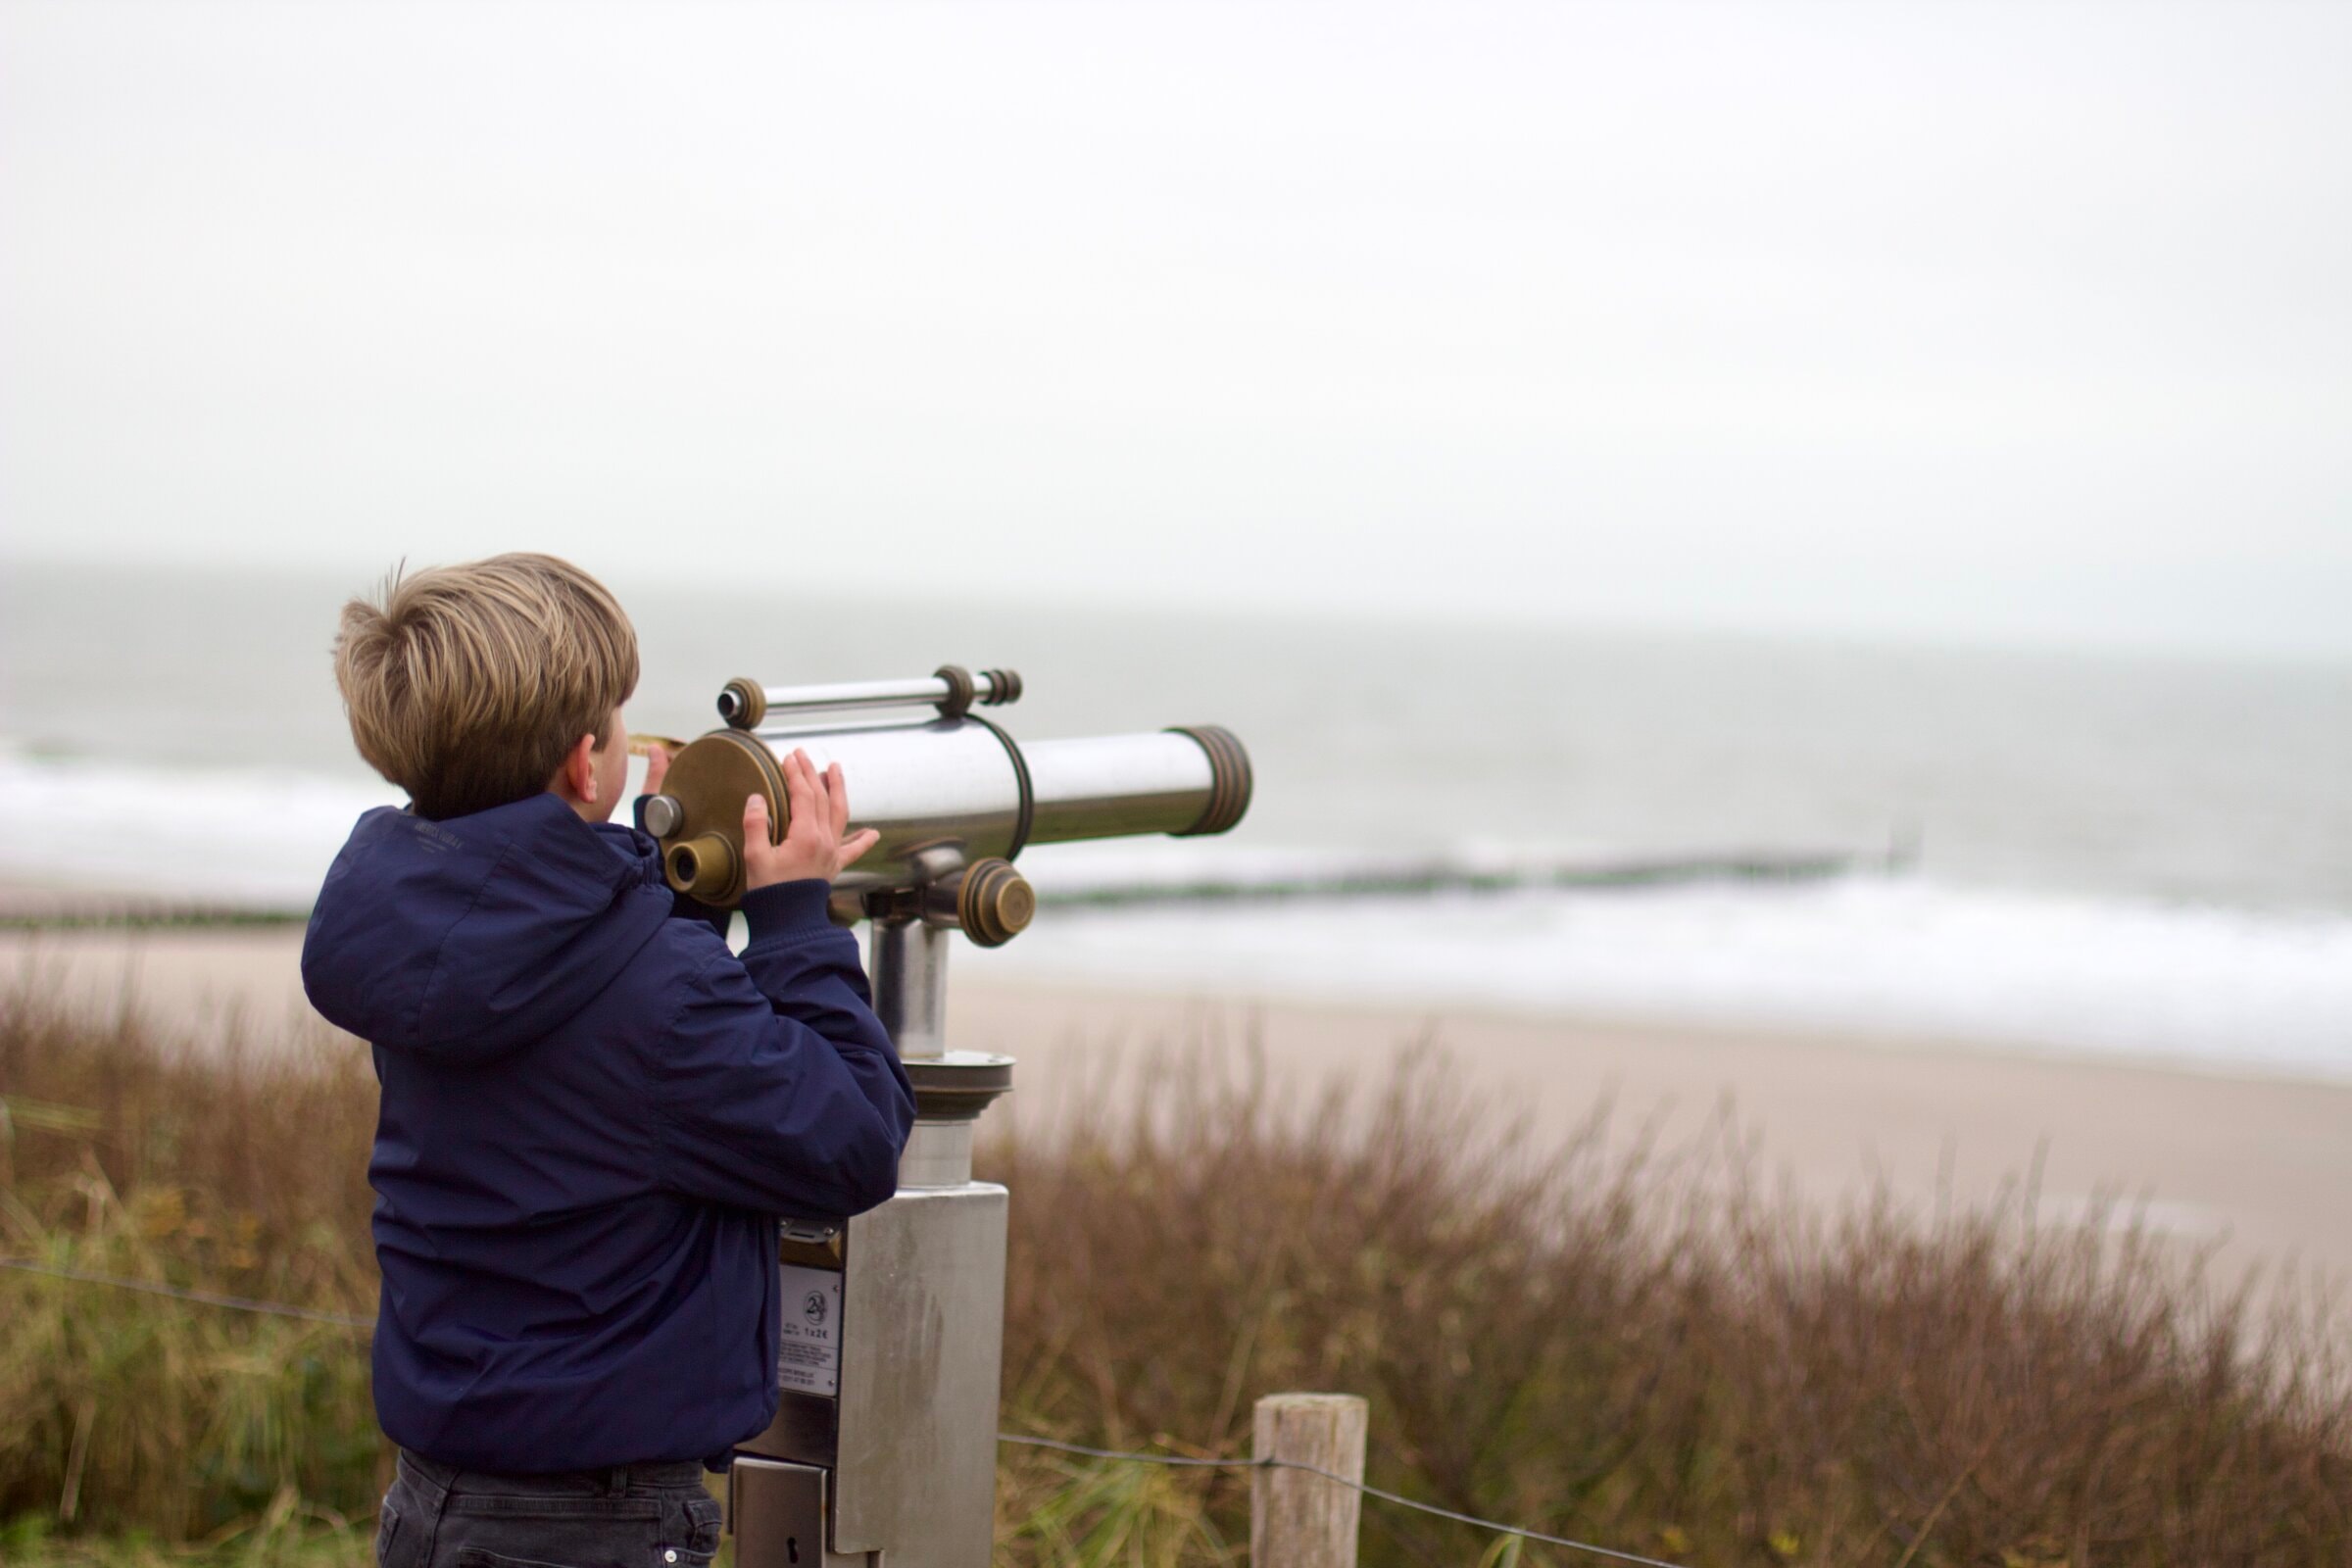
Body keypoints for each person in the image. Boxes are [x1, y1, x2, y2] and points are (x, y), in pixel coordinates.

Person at [301, 553, 914, 1568]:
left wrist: (683, 903)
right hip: (598, 1527)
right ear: (589, 766)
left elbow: (579, 1067)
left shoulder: (419, 931)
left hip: (438, 1504)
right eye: (622, 721)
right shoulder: (659, 997)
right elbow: (852, 1138)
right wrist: (795, 920)